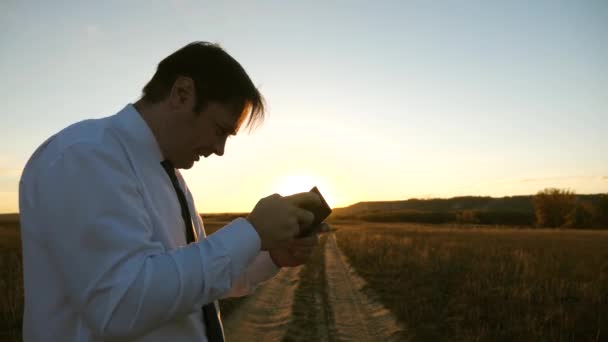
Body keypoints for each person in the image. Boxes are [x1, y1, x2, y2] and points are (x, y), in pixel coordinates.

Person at [18, 41, 323, 341]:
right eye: (219, 130)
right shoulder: (84, 155)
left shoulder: (169, 175)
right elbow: (121, 306)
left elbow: (193, 284)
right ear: (182, 93)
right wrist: (251, 232)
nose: (220, 150)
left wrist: (270, 256)